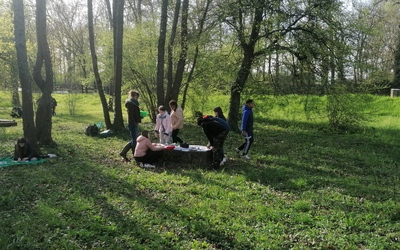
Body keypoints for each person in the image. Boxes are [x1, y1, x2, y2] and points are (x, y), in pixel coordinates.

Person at [119, 90, 141, 162]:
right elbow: (130, 115)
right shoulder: (130, 104)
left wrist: (139, 117)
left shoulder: (133, 103)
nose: (137, 99)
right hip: (132, 124)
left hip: (134, 122)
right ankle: (134, 155)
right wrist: (134, 123)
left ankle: (123, 152)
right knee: (135, 140)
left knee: (134, 139)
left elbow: (134, 113)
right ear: (134, 96)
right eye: (137, 97)